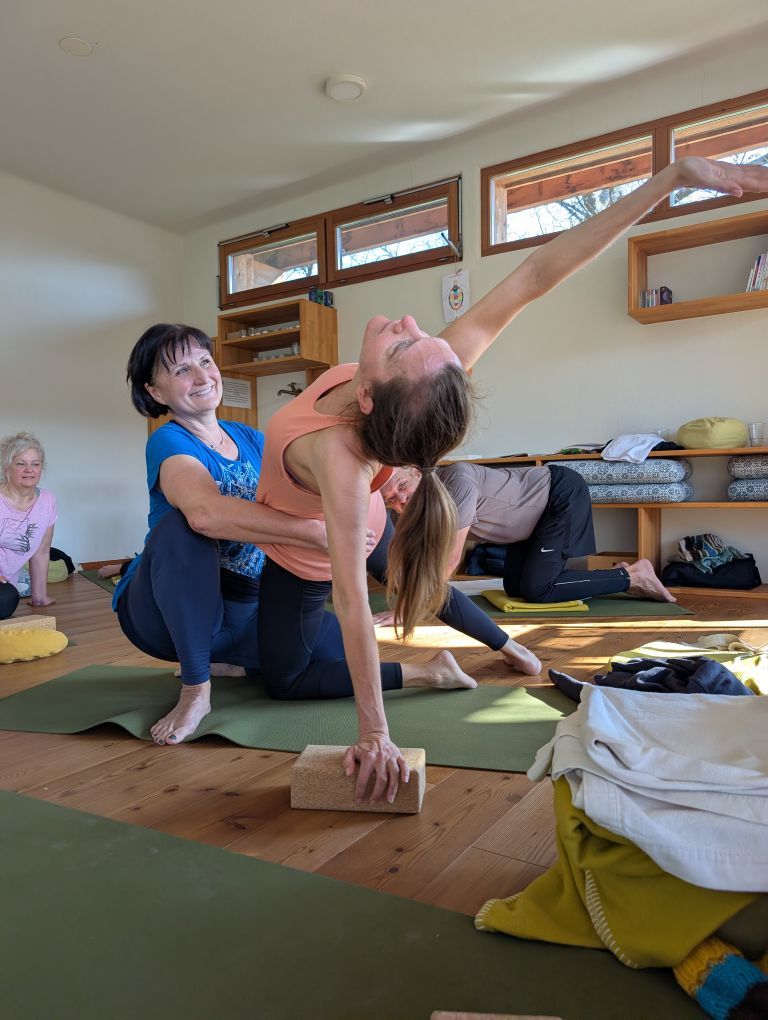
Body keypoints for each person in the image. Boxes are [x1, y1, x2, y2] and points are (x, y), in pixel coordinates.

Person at [253, 156, 768, 806]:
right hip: (332, 528)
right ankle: (489, 645)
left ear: (367, 397)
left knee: (284, 679)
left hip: (302, 560)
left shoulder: (341, 461)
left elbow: (355, 605)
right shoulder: (415, 384)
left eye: (405, 345)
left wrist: (374, 734)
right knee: (411, 587)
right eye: (417, 338)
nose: (412, 327)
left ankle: (427, 672)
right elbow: (533, 277)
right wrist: (670, 179)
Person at [117, 324, 431, 746]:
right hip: (169, 612)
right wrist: (316, 534)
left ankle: (230, 662)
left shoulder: (252, 438)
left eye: (206, 362)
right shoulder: (168, 441)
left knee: (334, 647)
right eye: (181, 370)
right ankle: (196, 687)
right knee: (182, 527)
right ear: (155, 392)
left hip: (248, 607)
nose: (201, 376)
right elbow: (206, 514)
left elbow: (304, 488)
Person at [380, 461, 675, 603]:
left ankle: (635, 575)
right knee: (516, 589)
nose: (400, 500)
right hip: (528, 527)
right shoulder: (415, 508)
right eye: (390, 499)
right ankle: (622, 576)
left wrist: (408, 610)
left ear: (415, 471)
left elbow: (448, 559)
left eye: (402, 486)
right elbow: (400, 551)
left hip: (558, 496)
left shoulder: (455, 483)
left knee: (539, 589)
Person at [0, 431, 56, 619]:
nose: (29, 470)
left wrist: (39, 597)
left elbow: (41, 551)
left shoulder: (47, 501)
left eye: (35, 464)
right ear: (7, 468)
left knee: (6, 599)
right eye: (21, 464)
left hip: (6, 583)